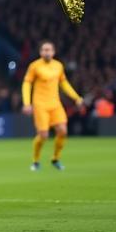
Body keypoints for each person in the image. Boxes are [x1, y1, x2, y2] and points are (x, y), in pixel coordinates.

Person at [22, 40, 83, 172]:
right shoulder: (34, 66)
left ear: (54, 52)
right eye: (44, 50)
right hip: (40, 104)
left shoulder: (58, 66)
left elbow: (64, 84)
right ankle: (35, 161)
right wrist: (27, 103)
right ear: (40, 52)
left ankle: (55, 158)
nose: (46, 52)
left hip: (55, 104)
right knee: (43, 135)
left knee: (63, 131)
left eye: (49, 50)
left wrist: (76, 97)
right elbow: (27, 84)